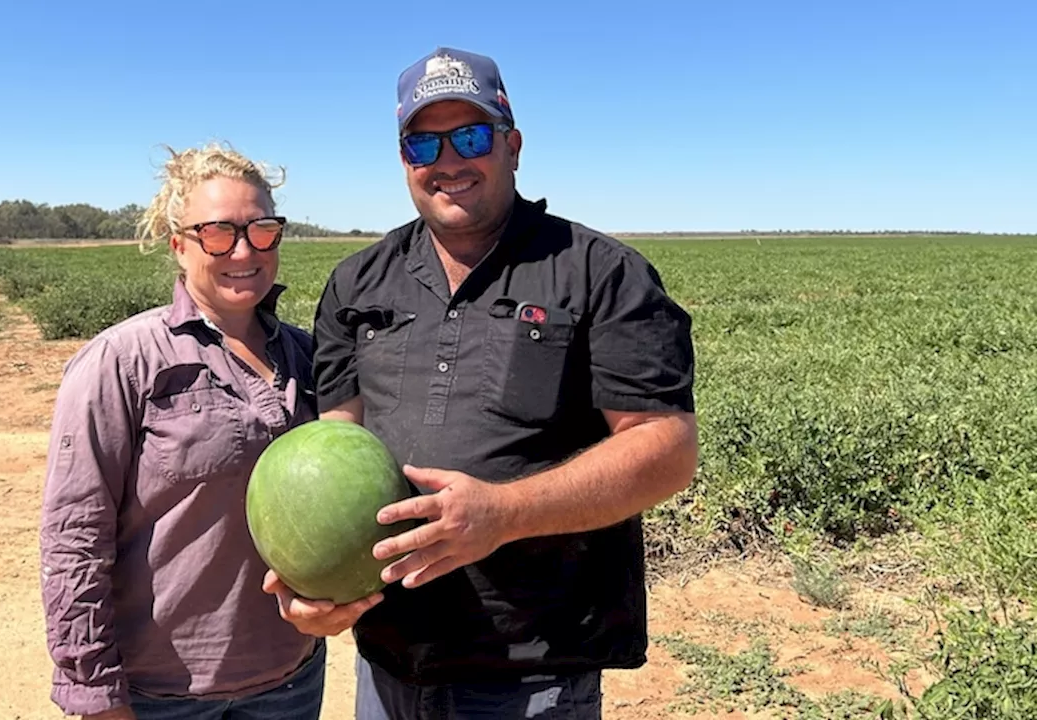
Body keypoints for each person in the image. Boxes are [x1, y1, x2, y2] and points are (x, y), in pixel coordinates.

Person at [263, 47, 700, 718]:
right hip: (388, 657)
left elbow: (665, 448)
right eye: (423, 141)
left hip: (531, 668)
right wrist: (313, 580)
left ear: (512, 143)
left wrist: (503, 514)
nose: (449, 161)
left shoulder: (599, 272)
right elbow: (334, 446)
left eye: (471, 135)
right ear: (404, 157)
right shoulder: (357, 282)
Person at [39, 142, 325, 720]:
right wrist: (93, 690)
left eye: (262, 229)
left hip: (289, 679)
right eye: (217, 233)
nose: (243, 250)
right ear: (179, 245)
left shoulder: (308, 356)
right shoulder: (122, 362)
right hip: (161, 693)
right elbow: (74, 535)